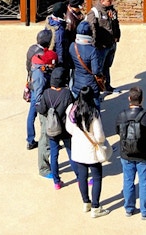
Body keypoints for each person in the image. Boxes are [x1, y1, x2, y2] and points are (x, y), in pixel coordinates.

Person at [116, 86, 146, 219]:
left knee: (128, 180)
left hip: (126, 154)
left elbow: (118, 131)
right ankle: (145, 211)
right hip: (144, 154)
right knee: (145, 182)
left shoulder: (121, 115)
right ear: (142, 99)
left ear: (129, 98)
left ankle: (129, 208)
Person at [65, 86, 109, 218]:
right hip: (91, 150)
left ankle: (86, 202)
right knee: (96, 177)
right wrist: (98, 141)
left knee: (82, 177)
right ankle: (96, 207)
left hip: (78, 148)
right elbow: (100, 136)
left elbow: (69, 128)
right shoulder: (93, 112)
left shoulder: (72, 109)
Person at [37, 66, 77, 189]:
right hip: (65, 129)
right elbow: (72, 108)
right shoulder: (66, 93)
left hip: (52, 129)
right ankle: (80, 177)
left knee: (54, 154)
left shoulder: (46, 93)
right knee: (72, 153)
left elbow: (42, 110)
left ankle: (56, 182)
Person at [31, 46, 58, 178]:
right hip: (44, 111)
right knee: (45, 139)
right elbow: (40, 97)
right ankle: (44, 168)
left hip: (46, 108)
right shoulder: (40, 77)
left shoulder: (40, 69)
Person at [87, 0, 121, 93]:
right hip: (101, 47)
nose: (111, 2)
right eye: (109, 1)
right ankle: (97, 91)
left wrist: (117, 36)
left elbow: (116, 24)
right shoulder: (94, 13)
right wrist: (96, 45)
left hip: (111, 44)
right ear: (102, 1)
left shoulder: (112, 11)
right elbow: (92, 30)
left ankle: (107, 86)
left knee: (107, 67)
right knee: (98, 70)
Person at [25, 28, 52, 150]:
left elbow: (28, 66)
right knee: (45, 115)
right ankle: (47, 140)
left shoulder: (31, 49)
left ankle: (30, 139)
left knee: (31, 114)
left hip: (32, 82)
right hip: (42, 85)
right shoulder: (43, 54)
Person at [69, 20, 101, 108]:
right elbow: (95, 71)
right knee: (96, 105)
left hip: (77, 83)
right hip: (91, 85)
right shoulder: (92, 50)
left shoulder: (72, 46)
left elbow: (71, 64)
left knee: (75, 106)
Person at [46, 1, 69, 67]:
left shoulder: (49, 21)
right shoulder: (59, 28)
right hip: (56, 57)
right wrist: (61, 62)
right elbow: (59, 45)